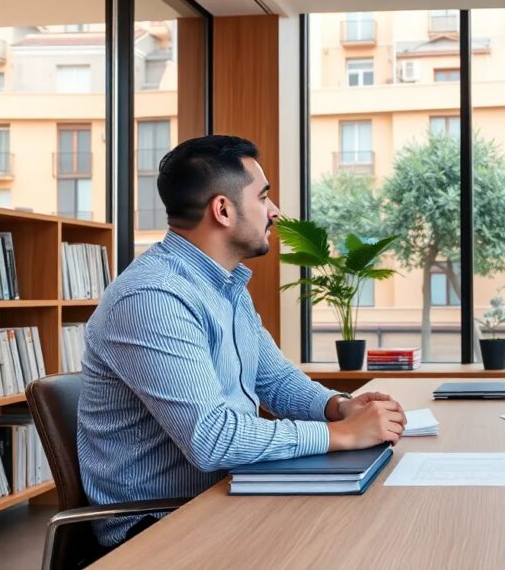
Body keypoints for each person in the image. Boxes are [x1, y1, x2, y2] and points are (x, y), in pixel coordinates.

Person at [77, 135, 406, 547]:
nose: (274, 211)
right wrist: (342, 435)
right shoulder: (153, 297)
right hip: (159, 524)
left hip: (224, 493)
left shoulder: (225, 287)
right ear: (223, 210)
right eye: (264, 197)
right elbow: (212, 437)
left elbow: (275, 380)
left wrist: (337, 406)